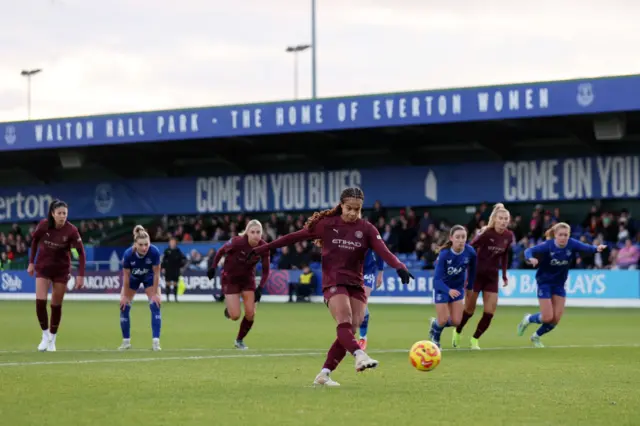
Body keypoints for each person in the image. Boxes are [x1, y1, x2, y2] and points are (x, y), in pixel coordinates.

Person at [249, 187, 413, 387]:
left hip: (356, 283)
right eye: (349, 208)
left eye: (357, 209)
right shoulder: (327, 225)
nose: (353, 213)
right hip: (333, 281)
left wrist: (400, 267)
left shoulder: (367, 229)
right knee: (344, 320)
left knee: (351, 329)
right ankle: (360, 355)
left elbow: (384, 251)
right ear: (341, 205)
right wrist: (263, 249)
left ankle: (324, 374)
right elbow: (293, 237)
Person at [517, 222, 606, 347]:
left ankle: (535, 337)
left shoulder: (571, 244)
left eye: (566, 235)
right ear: (555, 235)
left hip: (559, 284)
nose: (563, 237)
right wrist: (531, 258)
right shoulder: (547, 246)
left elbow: (585, 247)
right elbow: (529, 251)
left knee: (555, 319)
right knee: (547, 317)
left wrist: (597, 249)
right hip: (545, 283)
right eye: (561, 235)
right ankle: (528, 319)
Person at [452, 203, 514, 350]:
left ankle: (475, 339)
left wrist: (504, 275)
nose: (504, 221)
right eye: (501, 218)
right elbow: (471, 246)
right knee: (469, 310)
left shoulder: (508, 236)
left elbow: (504, 255)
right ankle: (458, 330)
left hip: (492, 277)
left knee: (489, 313)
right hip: (476, 275)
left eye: (506, 219)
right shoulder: (486, 233)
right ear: (495, 219)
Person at [28, 199, 86, 352]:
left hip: (61, 270)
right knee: (40, 302)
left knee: (56, 305)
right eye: (59, 213)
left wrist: (80, 275)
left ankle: (53, 339)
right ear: (53, 214)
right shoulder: (43, 225)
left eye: (65, 213)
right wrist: (31, 263)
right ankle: (45, 335)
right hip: (43, 268)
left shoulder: (72, 231)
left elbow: (81, 254)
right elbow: (34, 242)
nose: (62, 216)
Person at [207, 220, 270, 350]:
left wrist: (261, 287)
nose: (255, 235)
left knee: (251, 313)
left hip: (248, 280)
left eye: (258, 232)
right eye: (252, 232)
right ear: (247, 233)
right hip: (230, 279)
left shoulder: (264, 247)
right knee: (235, 316)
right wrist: (213, 267)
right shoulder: (237, 242)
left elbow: (266, 271)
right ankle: (230, 310)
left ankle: (239, 340)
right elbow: (220, 252)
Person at [428, 225, 477, 348]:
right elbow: (436, 281)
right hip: (442, 288)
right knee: (443, 319)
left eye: (463, 237)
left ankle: (435, 324)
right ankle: (436, 337)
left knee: (456, 322)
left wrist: (470, 289)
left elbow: (473, 272)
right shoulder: (444, 254)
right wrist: (448, 290)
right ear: (451, 238)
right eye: (458, 237)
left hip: (458, 289)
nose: (461, 240)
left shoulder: (470, 252)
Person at [118, 225, 163, 351]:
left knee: (155, 304)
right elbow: (126, 277)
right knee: (124, 306)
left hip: (149, 277)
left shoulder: (154, 252)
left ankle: (156, 342)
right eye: (141, 245)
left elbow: (156, 274)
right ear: (135, 244)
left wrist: (155, 294)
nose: (144, 247)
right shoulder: (128, 254)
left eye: (146, 244)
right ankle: (126, 342)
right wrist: (125, 296)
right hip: (133, 278)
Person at [358, 248, 385, 350]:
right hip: (351, 270)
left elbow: (380, 250)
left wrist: (380, 272)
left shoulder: (370, 232)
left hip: (368, 270)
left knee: (361, 301)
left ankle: (362, 338)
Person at [161, 237, 186, 302]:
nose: (172, 243)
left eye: (173, 242)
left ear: (175, 243)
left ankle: (175, 298)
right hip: (168, 269)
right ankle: (167, 298)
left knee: (175, 283)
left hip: (176, 269)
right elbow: (163, 260)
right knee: (168, 283)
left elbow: (183, 259)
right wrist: (163, 267)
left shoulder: (178, 251)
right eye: (171, 242)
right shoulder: (167, 251)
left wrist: (181, 266)